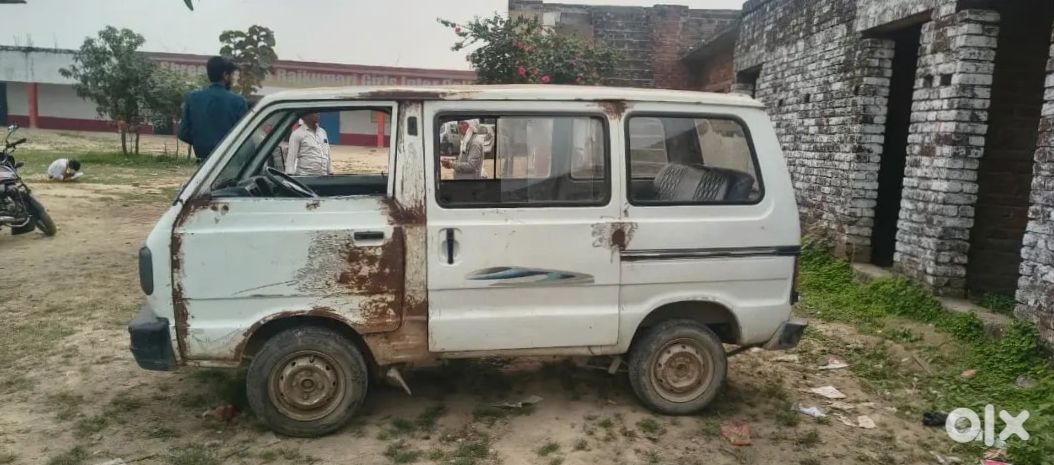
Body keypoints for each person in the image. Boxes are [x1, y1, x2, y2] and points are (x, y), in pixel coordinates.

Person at [178, 56, 248, 162]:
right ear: (225, 75)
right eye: (232, 75)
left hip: (204, 164)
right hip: (230, 161)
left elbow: (183, 133)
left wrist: (201, 141)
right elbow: (245, 135)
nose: (233, 79)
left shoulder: (192, 98)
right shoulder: (238, 101)